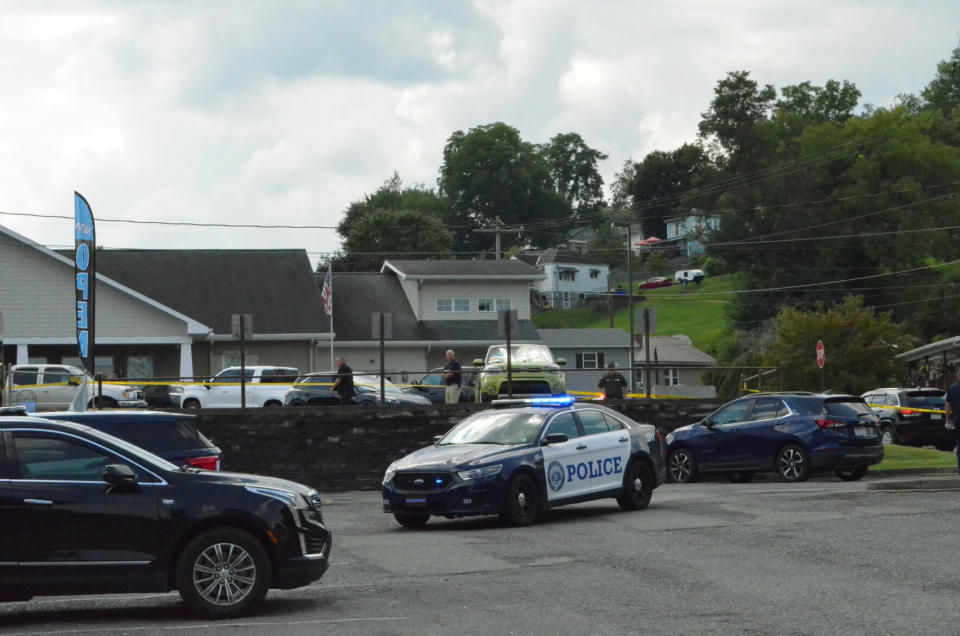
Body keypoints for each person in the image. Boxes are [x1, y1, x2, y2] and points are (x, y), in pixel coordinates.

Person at [946, 369, 960, 473]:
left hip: (957, 418)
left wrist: (948, 419)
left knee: (959, 441)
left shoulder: (952, 388)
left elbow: (947, 405)